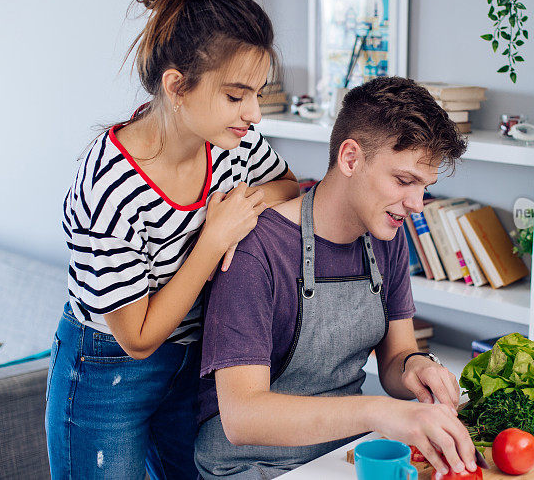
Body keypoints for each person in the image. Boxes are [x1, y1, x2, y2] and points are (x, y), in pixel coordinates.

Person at [45, 0, 299, 479]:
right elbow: (137, 337)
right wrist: (215, 237)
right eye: (236, 95)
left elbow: (286, 185)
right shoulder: (108, 185)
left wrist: (243, 208)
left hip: (196, 358)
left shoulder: (234, 144)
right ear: (176, 85)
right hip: (108, 371)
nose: (254, 115)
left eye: (257, 94)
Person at [195, 76, 479, 480]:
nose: (417, 205)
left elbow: (395, 358)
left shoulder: (387, 234)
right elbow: (243, 416)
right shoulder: (257, 249)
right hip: (252, 466)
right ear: (350, 158)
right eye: (403, 181)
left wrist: (417, 367)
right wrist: (382, 410)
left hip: (342, 454)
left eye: (424, 187)